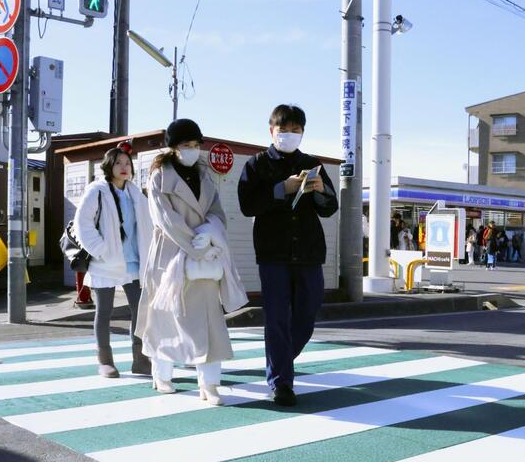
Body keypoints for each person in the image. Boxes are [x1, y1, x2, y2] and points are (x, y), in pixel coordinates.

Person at [136, 119, 247, 402]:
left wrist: (210, 232)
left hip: (205, 255)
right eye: (186, 145)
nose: (192, 150)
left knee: (210, 322)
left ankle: (208, 384)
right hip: (170, 255)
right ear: (173, 147)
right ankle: (161, 375)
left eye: (196, 145)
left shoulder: (205, 175)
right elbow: (165, 219)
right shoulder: (159, 175)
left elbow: (218, 211)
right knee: (165, 319)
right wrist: (198, 245)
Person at [238, 104, 339, 406]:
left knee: (306, 317)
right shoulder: (256, 165)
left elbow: (329, 207)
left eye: (296, 130)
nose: (290, 135)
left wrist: (321, 190)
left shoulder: (312, 163)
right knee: (278, 318)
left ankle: (281, 361)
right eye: (284, 130)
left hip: (309, 252)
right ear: (271, 131)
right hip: (273, 254)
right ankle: (282, 382)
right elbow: (247, 205)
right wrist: (281, 188)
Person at [74, 143, 153, 379]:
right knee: (104, 312)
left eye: (127, 163)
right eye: (118, 163)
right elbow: (82, 223)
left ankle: (140, 360)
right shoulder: (96, 190)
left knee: (140, 312)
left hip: (134, 262)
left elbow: (147, 225)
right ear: (109, 166)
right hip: (105, 263)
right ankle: (105, 361)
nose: (124, 167)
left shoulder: (135, 193)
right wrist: (101, 250)